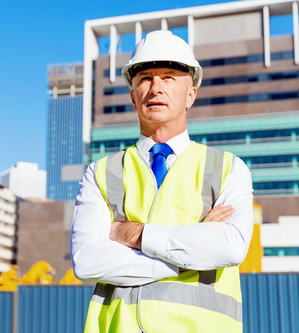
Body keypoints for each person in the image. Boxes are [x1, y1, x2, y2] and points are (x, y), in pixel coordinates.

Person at [71, 30, 254, 333]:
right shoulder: (100, 172)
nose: (155, 87)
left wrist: (137, 235)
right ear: (133, 96)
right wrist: (187, 258)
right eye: (145, 78)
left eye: (169, 77)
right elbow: (87, 261)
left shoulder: (228, 168)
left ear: (190, 95)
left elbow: (230, 247)